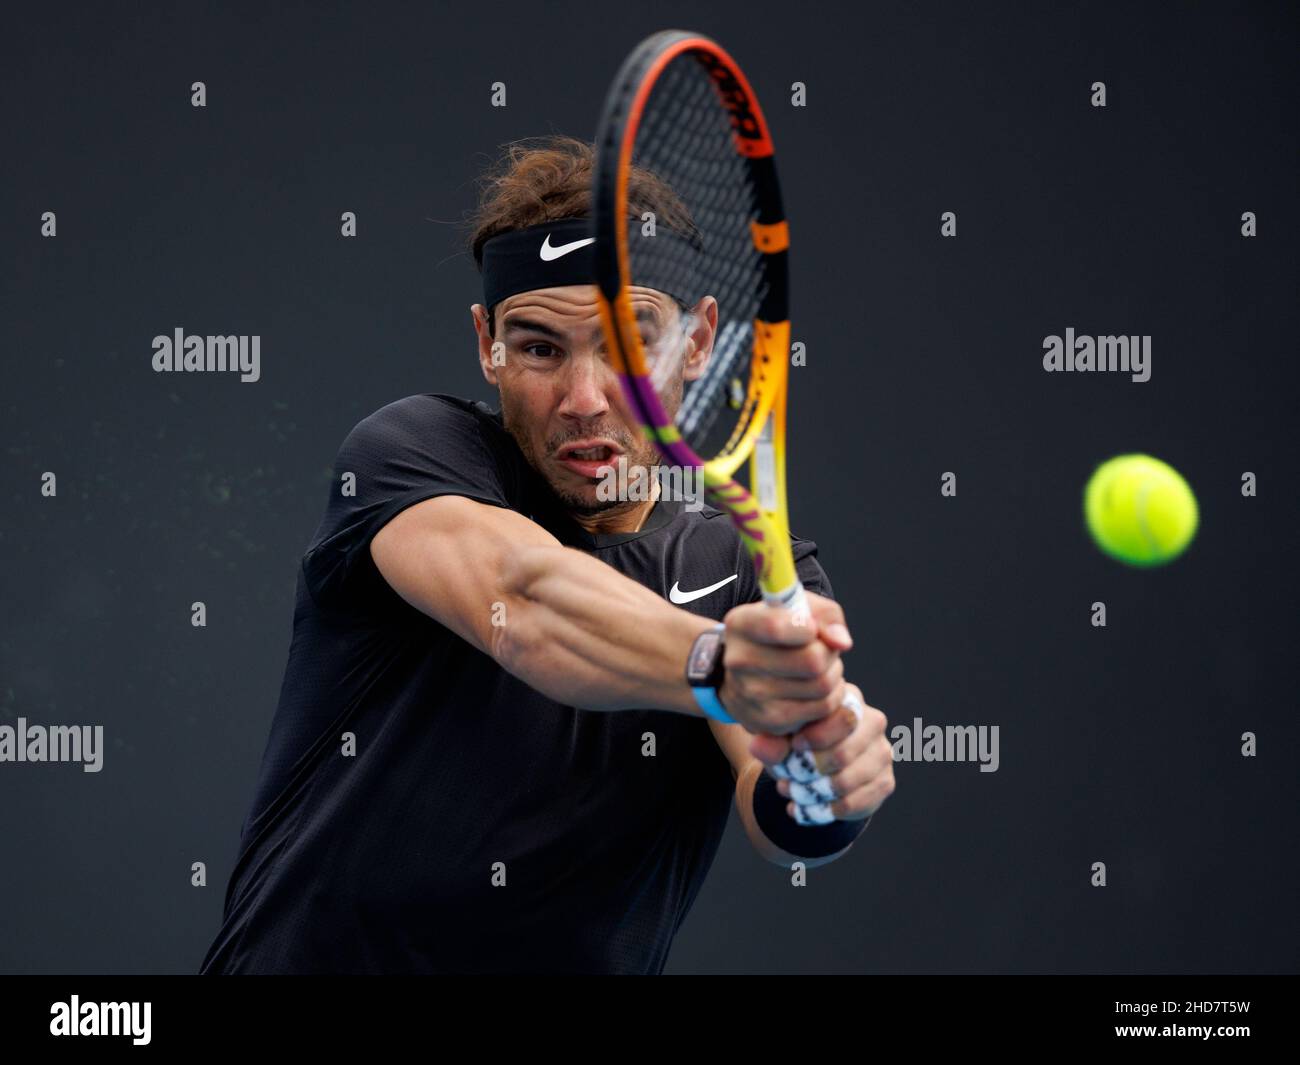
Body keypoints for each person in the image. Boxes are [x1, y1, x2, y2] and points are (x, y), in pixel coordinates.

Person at [199, 135, 894, 975]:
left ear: (702, 340)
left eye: (629, 344)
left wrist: (828, 774)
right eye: (539, 348)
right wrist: (718, 665)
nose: (585, 398)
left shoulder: (749, 568)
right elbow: (524, 604)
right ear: (486, 340)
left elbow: (783, 813)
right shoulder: (409, 455)